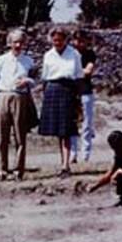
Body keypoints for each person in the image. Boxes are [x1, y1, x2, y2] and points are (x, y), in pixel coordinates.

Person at [0, 28, 36, 180]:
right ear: (10, 43)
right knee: (2, 136)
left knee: (20, 136)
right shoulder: (1, 60)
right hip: (3, 96)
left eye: (21, 42)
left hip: (20, 97)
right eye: (15, 42)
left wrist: (27, 81)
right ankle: (2, 169)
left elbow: (35, 81)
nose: (18, 45)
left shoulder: (28, 61)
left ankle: (18, 169)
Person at [38, 26, 83, 177]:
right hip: (52, 89)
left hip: (68, 90)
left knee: (67, 131)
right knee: (59, 131)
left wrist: (78, 99)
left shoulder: (74, 54)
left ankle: (66, 166)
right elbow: (45, 77)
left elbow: (78, 76)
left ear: (66, 40)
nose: (57, 43)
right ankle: (62, 163)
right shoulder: (48, 55)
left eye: (60, 40)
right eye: (55, 40)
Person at [70, 28, 97, 164]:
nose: (79, 43)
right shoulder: (69, 54)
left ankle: (85, 153)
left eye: (82, 40)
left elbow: (88, 71)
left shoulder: (90, 54)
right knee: (72, 122)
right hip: (71, 91)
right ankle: (72, 153)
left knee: (87, 122)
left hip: (85, 90)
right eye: (77, 40)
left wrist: (74, 72)